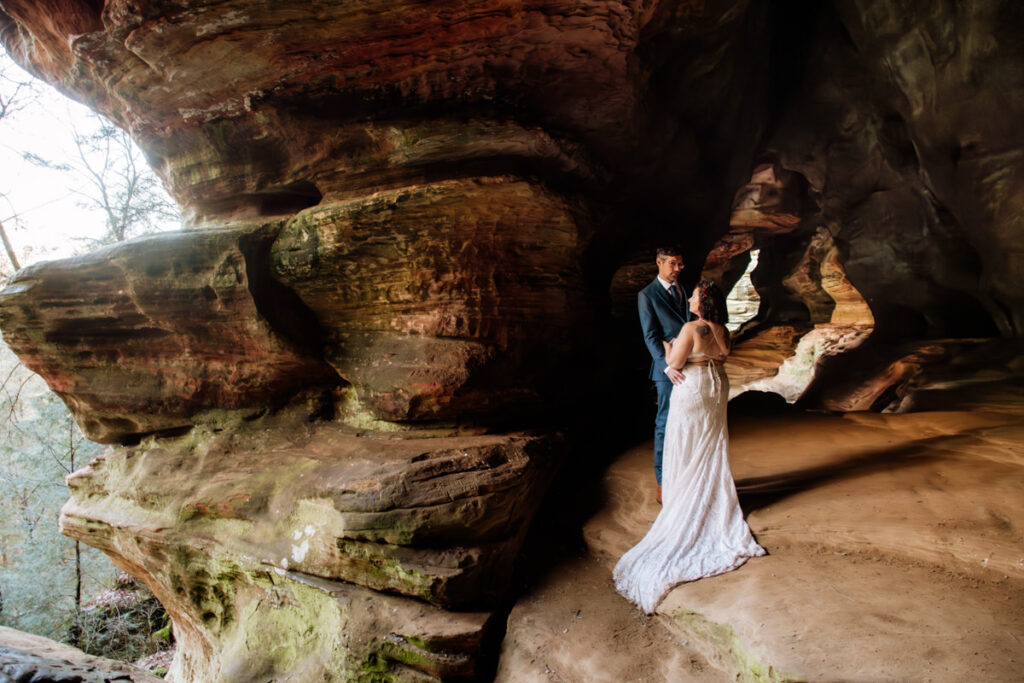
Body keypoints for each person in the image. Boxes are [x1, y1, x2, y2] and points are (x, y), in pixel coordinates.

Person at [615, 280, 765, 614]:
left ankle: (683, 497)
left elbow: (675, 364)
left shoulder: (691, 327)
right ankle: (710, 494)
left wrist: (669, 347)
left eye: (696, 295)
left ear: (702, 302)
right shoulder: (721, 328)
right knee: (710, 442)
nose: (692, 297)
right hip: (717, 387)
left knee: (684, 440)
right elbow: (724, 355)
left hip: (694, 387)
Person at [637, 246, 691, 504]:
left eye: (680, 264)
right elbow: (650, 336)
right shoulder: (646, 295)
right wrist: (667, 367)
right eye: (673, 264)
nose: (678, 269)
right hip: (666, 370)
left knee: (689, 421)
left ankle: (686, 477)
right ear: (659, 262)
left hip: (692, 364)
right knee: (664, 424)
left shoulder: (685, 289)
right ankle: (662, 481)